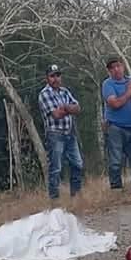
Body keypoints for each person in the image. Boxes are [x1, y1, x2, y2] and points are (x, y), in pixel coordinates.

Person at [37, 64, 83, 200]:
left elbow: (78, 108)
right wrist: (69, 109)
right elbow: (56, 114)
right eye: (52, 76)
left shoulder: (65, 91)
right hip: (55, 134)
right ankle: (54, 200)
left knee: (78, 164)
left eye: (58, 75)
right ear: (47, 78)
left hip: (69, 132)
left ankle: (76, 196)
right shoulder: (44, 94)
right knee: (56, 168)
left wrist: (65, 107)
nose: (56, 79)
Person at [102, 55, 131, 192]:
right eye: (112, 68)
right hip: (115, 126)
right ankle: (116, 188)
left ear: (123, 66)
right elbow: (115, 103)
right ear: (109, 71)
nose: (116, 69)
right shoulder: (108, 84)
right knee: (116, 160)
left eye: (118, 66)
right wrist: (128, 92)